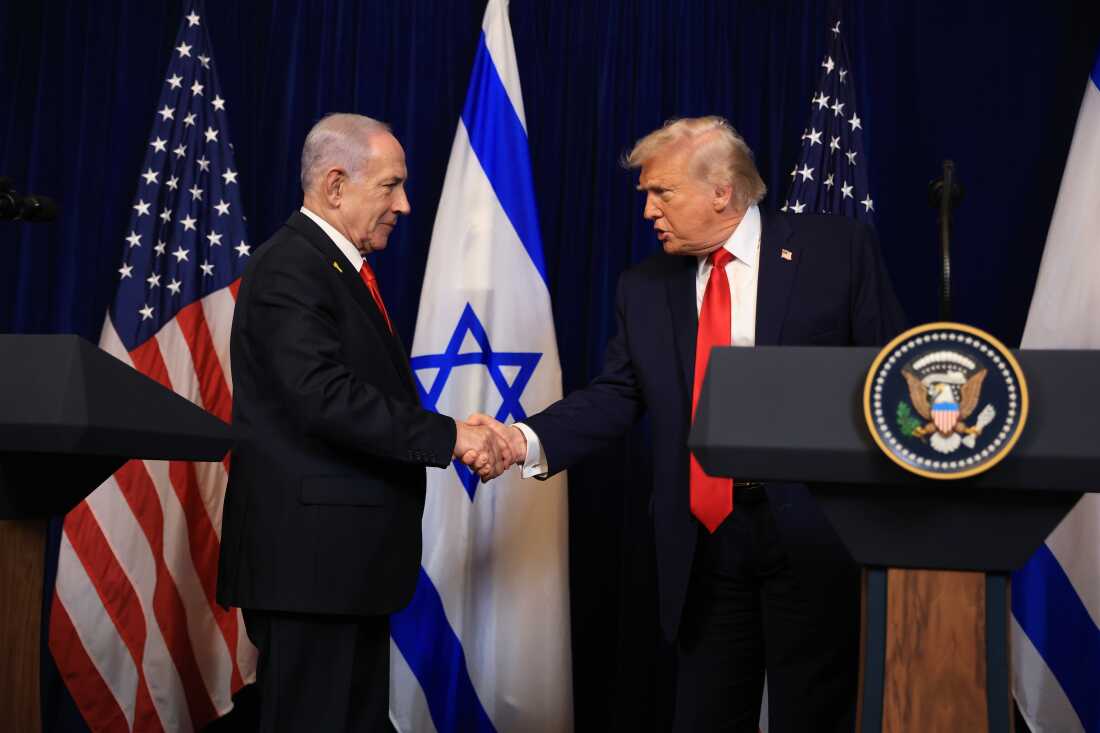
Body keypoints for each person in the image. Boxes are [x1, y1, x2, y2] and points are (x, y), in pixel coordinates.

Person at [473, 116, 906, 732]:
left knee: (812, 718)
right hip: (703, 544)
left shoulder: (837, 254)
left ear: (722, 191)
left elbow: (888, 378)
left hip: (813, 535)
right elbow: (619, 394)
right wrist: (522, 439)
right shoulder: (645, 287)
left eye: (662, 193)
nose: (649, 210)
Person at [217, 113, 510, 732]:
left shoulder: (332, 267)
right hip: (310, 570)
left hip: (343, 569)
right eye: (390, 185)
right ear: (335, 185)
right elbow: (321, 396)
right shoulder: (291, 267)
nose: (404, 204)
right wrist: (451, 436)